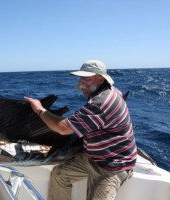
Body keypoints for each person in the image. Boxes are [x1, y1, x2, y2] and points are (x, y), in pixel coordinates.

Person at [25, 60, 137, 200]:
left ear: (101, 78)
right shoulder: (110, 91)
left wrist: (40, 110)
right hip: (93, 159)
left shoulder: (100, 102)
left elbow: (63, 129)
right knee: (59, 175)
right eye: (81, 77)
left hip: (114, 167)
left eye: (87, 78)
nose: (81, 82)